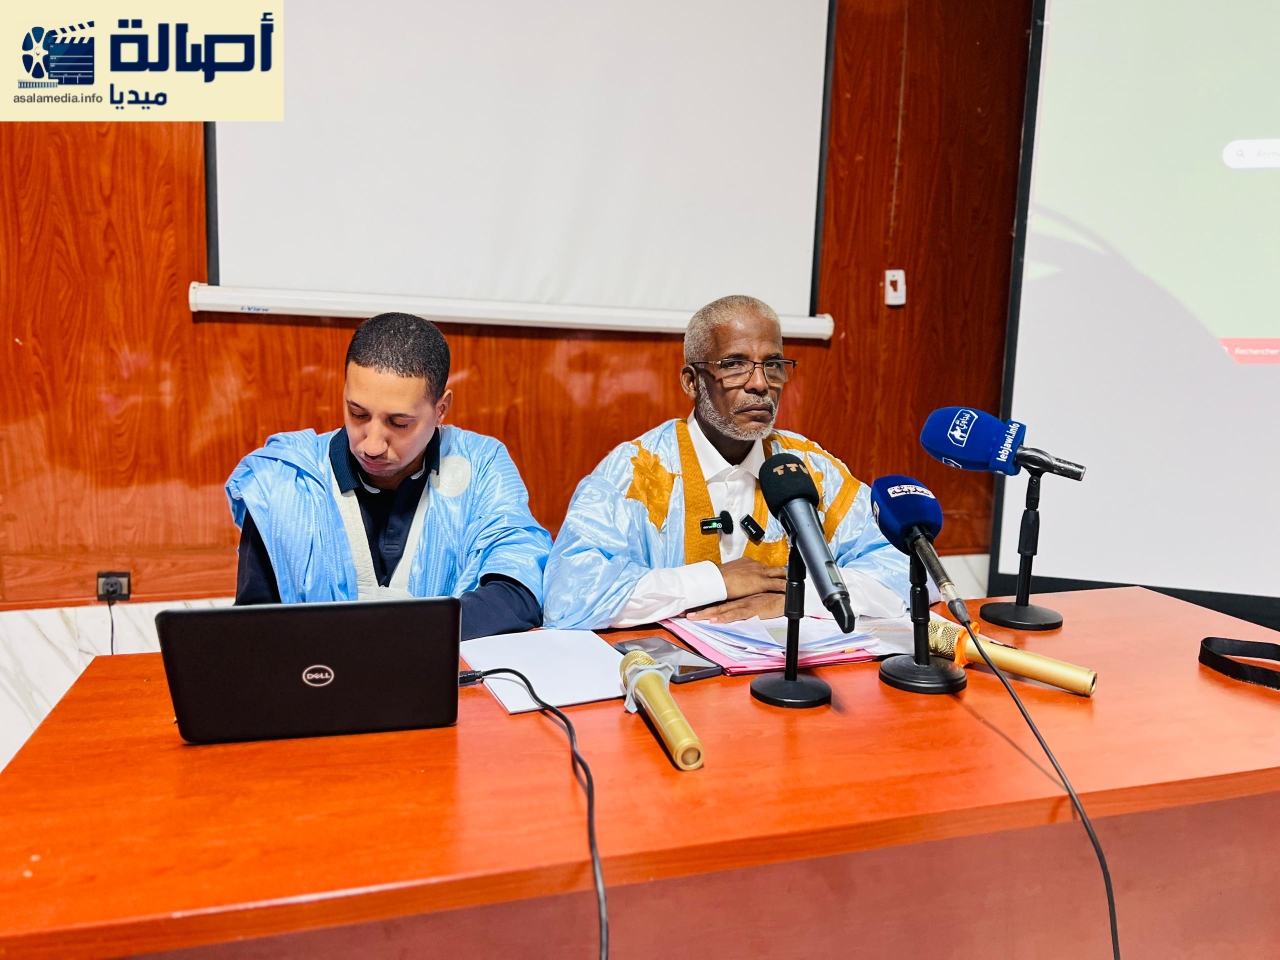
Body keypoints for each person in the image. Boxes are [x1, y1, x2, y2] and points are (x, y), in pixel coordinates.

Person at [543, 295, 910, 630]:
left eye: (773, 365)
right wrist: (715, 581)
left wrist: (795, 598)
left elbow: (906, 567)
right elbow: (568, 596)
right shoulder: (638, 472)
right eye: (734, 364)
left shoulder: (808, 469)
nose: (760, 384)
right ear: (692, 382)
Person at [227, 312, 550, 640]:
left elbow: (518, 589)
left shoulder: (482, 464)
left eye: (399, 423)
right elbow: (253, 626)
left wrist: (403, 635)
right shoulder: (283, 477)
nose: (372, 446)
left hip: (439, 667)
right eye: (358, 414)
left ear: (441, 409)